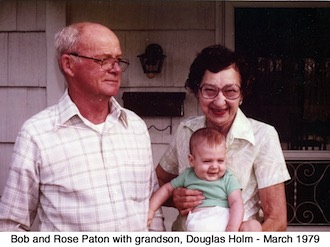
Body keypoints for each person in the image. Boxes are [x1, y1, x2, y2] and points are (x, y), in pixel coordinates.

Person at [0, 22, 164, 231]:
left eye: (118, 60)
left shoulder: (135, 127)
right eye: (104, 60)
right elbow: (11, 227)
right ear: (68, 64)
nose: (115, 69)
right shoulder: (37, 134)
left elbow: (152, 208)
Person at [156, 44, 291, 231]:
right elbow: (159, 180)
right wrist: (175, 198)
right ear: (197, 92)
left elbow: (277, 220)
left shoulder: (263, 136)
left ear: (242, 94)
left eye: (230, 91)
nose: (219, 101)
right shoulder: (185, 131)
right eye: (210, 90)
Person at [148, 127, 244, 231]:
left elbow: (236, 202)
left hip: (228, 218)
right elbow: (166, 189)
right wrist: (151, 209)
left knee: (253, 225)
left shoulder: (228, 178)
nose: (215, 166)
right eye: (207, 161)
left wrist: (232, 227)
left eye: (220, 161)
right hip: (201, 220)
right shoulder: (188, 175)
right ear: (192, 160)